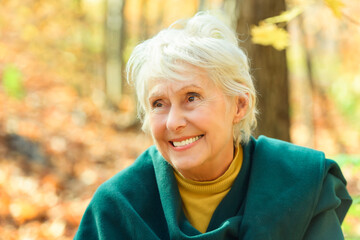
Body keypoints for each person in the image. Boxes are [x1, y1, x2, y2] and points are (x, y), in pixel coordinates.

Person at [74, 12, 352, 240]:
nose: (173, 122)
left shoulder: (299, 184)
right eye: (159, 103)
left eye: (191, 97)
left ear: (239, 106)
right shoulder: (118, 206)